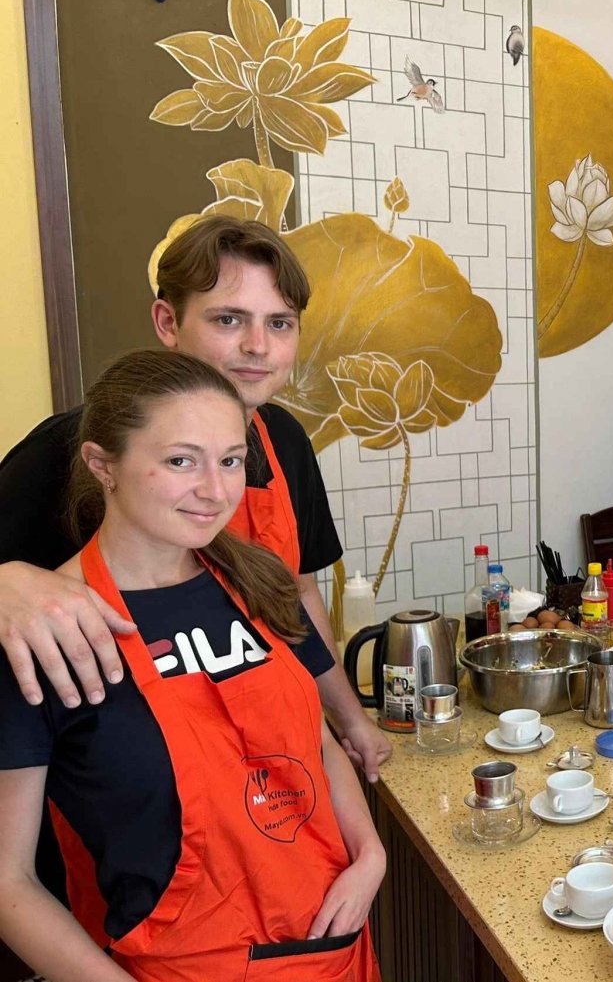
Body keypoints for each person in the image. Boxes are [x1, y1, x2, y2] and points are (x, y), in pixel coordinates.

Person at [0, 350, 382, 980]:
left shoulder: (260, 582)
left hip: (332, 949)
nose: (214, 490)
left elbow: (312, 736)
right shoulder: (49, 636)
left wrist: (370, 855)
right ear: (104, 466)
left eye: (230, 461)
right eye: (181, 460)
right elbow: (11, 882)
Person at [0, 216, 390, 783]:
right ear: (168, 322)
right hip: (125, 792)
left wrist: (349, 720)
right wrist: (6, 580)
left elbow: (297, 591)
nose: (257, 346)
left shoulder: (284, 440)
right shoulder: (79, 447)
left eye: (279, 323)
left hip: (269, 767)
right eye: (229, 319)